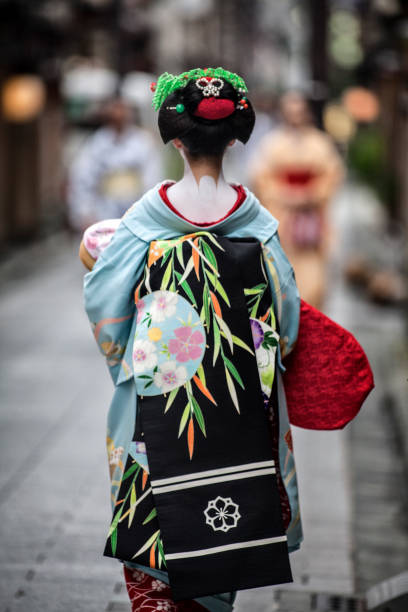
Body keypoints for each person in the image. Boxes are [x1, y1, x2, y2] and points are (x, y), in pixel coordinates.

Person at [81, 69, 372, 611]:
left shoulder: (146, 220)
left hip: (157, 404)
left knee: (155, 531)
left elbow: (102, 302)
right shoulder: (255, 222)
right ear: (236, 137)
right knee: (223, 533)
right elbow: (285, 323)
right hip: (237, 411)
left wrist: (139, 361)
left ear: (174, 138)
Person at [249, 91, 344, 308]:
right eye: (290, 112)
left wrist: (311, 195)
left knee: (313, 280)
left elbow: (332, 174)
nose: (295, 117)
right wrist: (287, 196)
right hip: (283, 215)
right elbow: (261, 178)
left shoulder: (320, 142)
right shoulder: (272, 143)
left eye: (299, 112)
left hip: (312, 215)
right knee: (281, 274)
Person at [67, 97, 162, 232]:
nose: (119, 114)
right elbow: (82, 179)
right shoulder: (96, 143)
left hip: (137, 215)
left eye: (123, 109)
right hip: (103, 214)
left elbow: (152, 179)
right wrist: (84, 212)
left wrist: (150, 213)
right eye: (115, 109)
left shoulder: (143, 142)